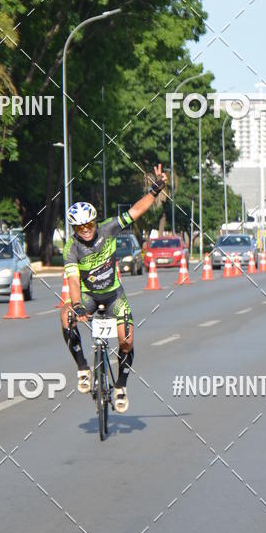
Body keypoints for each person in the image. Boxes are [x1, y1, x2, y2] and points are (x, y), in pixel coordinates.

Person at [61, 163, 167, 413]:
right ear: (74, 229)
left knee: (126, 342)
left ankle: (120, 385)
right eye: (79, 227)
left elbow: (135, 211)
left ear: (95, 222)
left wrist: (153, 191)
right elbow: (73, 279)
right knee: (66, 316)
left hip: (114, 296)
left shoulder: (108, 228)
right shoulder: (71, 249)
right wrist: (76, 305)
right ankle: (83, 368)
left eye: (89, 225)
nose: (86, 230)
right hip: (87, 295)